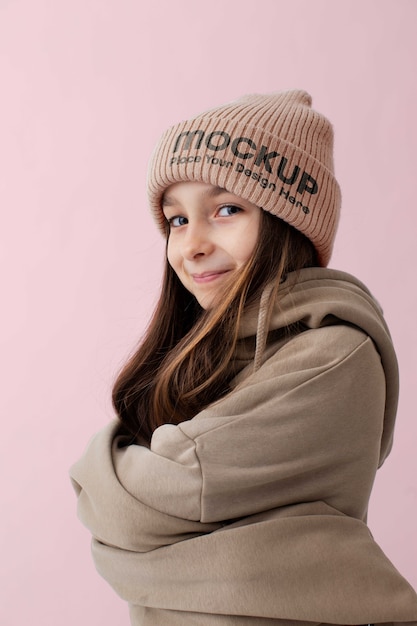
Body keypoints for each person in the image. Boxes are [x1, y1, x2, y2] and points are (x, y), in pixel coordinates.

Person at [70, 90, 417, 626]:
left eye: (226, 209)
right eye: (176, 220)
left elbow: (151, 494)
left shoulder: (334, 355)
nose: (192, 246)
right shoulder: (201, 358)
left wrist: (101, 466)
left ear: (288, 221)